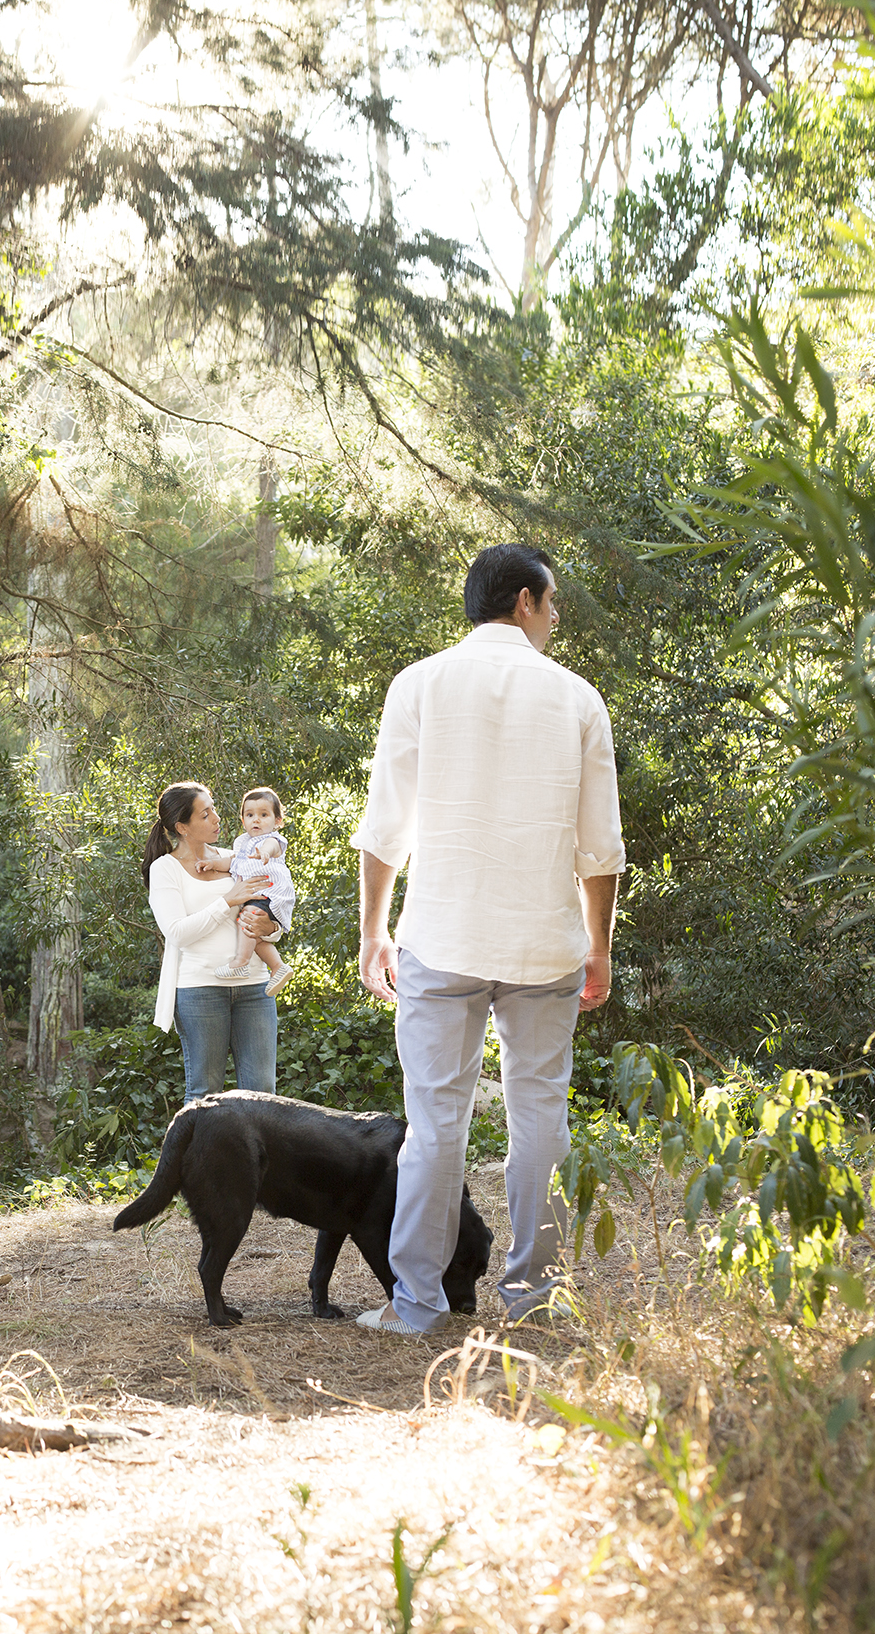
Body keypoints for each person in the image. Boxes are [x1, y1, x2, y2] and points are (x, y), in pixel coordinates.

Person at [352, 544, 626, 1335]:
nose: (556, 617)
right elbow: (598, 847)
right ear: (525, 601)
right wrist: (598, 945)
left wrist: (374, 930)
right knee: (540, 1111)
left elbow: (384, 827)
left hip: (441, 938)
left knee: (436, 1122)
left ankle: (417, 1305)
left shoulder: (420, 685)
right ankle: (533, 1296)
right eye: (554, 603)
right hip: (545, 945)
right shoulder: (577, 698)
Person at [143, 780, 280, 1103]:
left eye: (214, 809)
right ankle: (203, 1157)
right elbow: (176, 932)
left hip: (255, 986)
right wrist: (227, 901)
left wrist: (270, 927)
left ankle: (256, 1157)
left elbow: (270, 912)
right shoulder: (165, 869)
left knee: (263, 1094)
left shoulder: (238, 858)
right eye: (205, 815)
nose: (217, 818)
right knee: (205, 1093)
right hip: (199, 990)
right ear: (182, 827)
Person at [194, 786, 295, 994]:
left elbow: (271, 847)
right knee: (252, 933)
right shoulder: (242, 844)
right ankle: (278, 966)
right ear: (243, 820)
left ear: (277, 821)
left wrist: (265, 853)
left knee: (247, 919)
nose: (256, 820)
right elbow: (231, 863)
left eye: (264, 815)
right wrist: (212, 864)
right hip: (257, 897)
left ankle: (240, 962)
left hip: (270, 893)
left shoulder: (271, 840)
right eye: (250, 815)